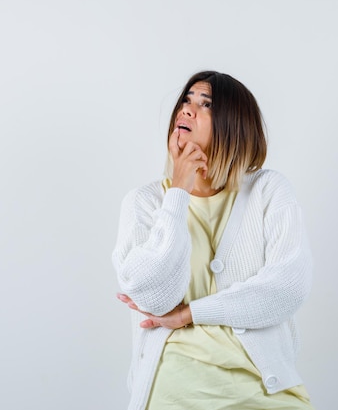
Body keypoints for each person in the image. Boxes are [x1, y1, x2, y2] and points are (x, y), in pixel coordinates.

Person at [112, 70, 314, 410]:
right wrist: (178, 191)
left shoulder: (269, 191)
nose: (186, 110)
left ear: (234, 125)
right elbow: (154, 296)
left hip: (265, 395)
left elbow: (287, 288)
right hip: (176, 394)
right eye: (186, 101)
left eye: (205, 104)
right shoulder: (145, 202)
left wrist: (191, 313)